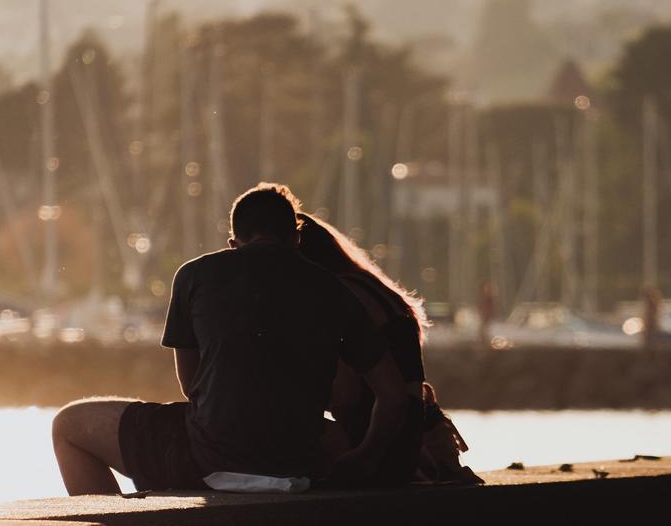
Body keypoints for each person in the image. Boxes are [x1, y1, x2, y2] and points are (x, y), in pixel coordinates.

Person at [51, 183, 409, 495]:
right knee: (333, 440)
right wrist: (365, 458)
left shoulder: (194, 275)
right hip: (298, 462)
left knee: (67, 426)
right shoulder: (334, 290)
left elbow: (191, 386)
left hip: (205, 458)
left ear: (233, 242)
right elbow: (393, 396)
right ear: (296, 239)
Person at [297, 213, 481, 486]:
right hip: (408, 441)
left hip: (373, 445)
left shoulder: (341, 296)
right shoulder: (376, 290)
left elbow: (345, 395)